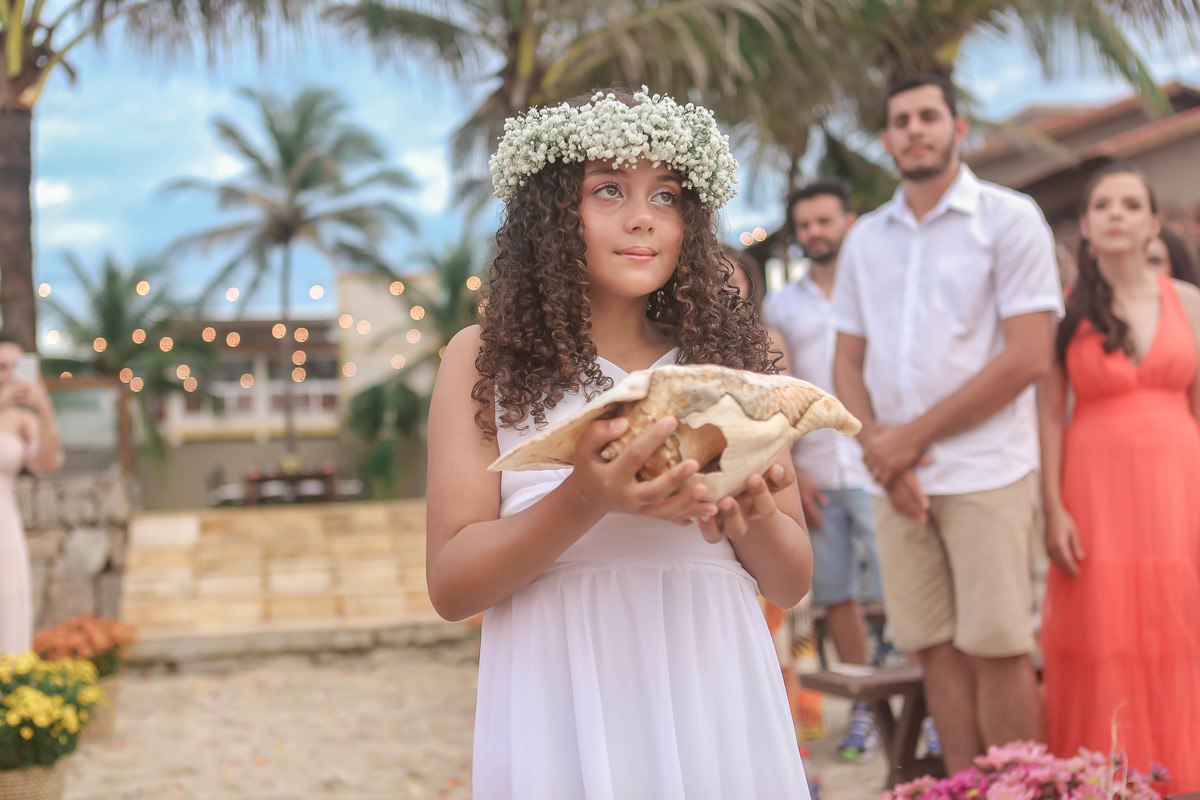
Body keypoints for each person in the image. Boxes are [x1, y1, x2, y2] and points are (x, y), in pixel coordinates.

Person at [426, 88, 814, 799]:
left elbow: (790, 584)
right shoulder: (483, 360)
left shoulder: (729, 362)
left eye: (666, 195)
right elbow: (451, 587)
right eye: (608, 189)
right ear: (549, 212)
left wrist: (750, 506)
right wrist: (585, 496)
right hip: (560, 694)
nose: (643, 216)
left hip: (712, 687)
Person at [830, 72, 1063, 773]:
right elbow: (846, 363)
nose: (915, 130)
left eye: (928, 116)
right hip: (894, 479)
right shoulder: (866, 240)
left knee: (998, 646)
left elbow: (1029, 356)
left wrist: (908, 441)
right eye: (901, 121)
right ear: (885, 139)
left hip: (987, 470)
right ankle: (964, 787)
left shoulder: (1009, 218)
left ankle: (1021, 788)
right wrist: (882, 453)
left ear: (959, 128)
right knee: (932, 647)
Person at [1038, 163, 1200, 791]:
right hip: (1093, 489)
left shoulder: (1190, 303)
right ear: (1085, 223)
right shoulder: (1064, 312)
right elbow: (1050, 415)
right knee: (1104, 629)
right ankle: (1104, 776)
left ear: (1153, 223)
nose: (1116, 215)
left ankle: (1182, 775)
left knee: (1179, 624)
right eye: (1103, 204)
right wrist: (1054, 508)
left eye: (1131, 205)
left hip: (1179, 485)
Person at [764, 180, 885, 763]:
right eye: (805, 225)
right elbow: (777, 391)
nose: (815, 232)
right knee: (837, 595)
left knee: (899, 590)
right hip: (815, 470)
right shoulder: (781, 307)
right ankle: (865, 707)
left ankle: (926, 704)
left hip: (882, 464)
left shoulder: (882, 286)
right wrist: (796, 474)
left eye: (824, 221)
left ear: (849, 223)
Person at [0, 336, 65, 655]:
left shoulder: (21, 420)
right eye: (1, 366)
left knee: (9, 603)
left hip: (4, 525)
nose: (9, 374)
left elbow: (47, 464)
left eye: (16, 366)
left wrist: (44, 408)